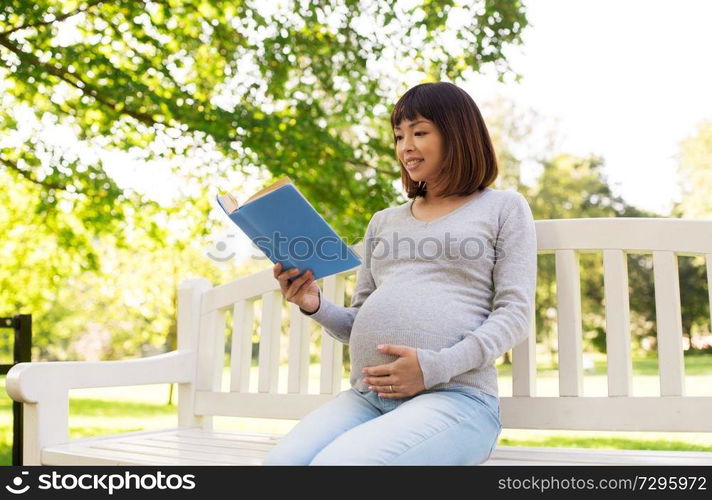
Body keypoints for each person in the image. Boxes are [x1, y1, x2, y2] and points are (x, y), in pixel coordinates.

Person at [263, 81, 537, 466]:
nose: (405, 146)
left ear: (458, 135)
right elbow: (357, 322)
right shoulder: (384, 221)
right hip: (368, 399)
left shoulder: (503, 208)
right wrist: (315, 305)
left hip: (455, 397)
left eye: (420, 132)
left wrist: (433, 368)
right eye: (398, 136)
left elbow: (514, 314)